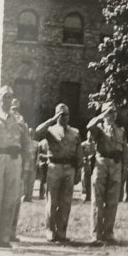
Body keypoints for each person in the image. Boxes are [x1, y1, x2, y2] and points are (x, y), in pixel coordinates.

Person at [35, 103, 82, 243]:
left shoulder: (75, 132)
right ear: (56, 115)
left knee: (66, 202)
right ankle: (50, 231)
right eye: (61, 114)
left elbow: (79, 152)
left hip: (69, 167)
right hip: (54, 166)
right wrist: (52, 119)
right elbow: (37, 131)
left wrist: (79, 169)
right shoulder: (50, 130)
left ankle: (62, 232)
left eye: (66, 114)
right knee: (52, 201)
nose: (64, 117)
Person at [87, 101, 128, 244]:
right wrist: (100, 116)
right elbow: (89, 126)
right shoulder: (99, 128)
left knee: (112, 201)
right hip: (102, 163)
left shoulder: (120, 130)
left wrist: (124, 169)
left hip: (116, 165)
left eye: (114, 112)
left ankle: (108, 233)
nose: (112, 115)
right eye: (109, 112)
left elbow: (125, 152)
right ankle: (96, 234)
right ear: (104, 113)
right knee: (98, 200)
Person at [0, 86, 29, 248]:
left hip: (15, 158)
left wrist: (26, 164)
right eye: (4, 96)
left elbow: (26, 143)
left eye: (10, 97)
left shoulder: (19, 119)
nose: (7, 99)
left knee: (10, 199)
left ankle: (5, 237)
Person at [9, 98, 31, 241]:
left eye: (17, 109)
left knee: (16, 199)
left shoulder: (21, 123)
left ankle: (11, 231)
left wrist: (26, 166)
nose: (15, 112)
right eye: (13, 109)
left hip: (18, 161)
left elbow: (26, 145)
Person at [81, 132, 96, 202]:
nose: (90, 137)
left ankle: (90, 195)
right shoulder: (83, 144)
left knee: (92, 180)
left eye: (91, 136)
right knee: (84, 179)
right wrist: (84, 158)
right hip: (85, 163)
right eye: (89, 135)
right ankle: (84, 195)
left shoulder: (95, 145)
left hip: (93, 164)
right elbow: (80, 154)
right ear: (87, 136)